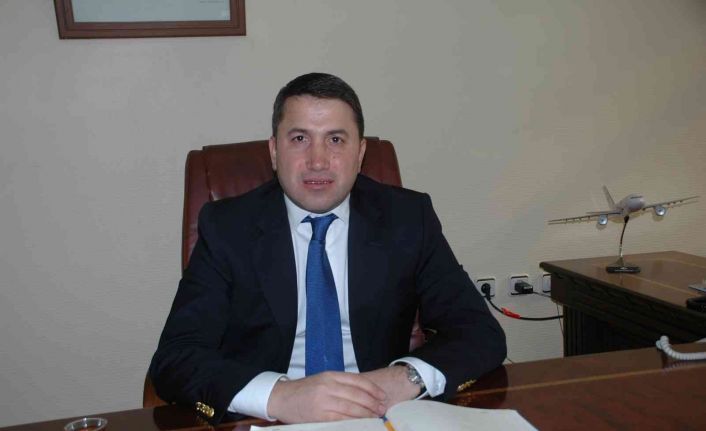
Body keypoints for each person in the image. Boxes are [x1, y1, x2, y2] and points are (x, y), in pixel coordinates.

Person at [149, 73, 506, 425]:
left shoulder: (408, 218)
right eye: (300, 138)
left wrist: (405, 378)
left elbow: (479, 332)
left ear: (360, 152)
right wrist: (279, 396)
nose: (317, 161)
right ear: (274, 151)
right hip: (269, 421)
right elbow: (176, 358)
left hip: (378, 413)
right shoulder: (227, 227)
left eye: (335, 139)